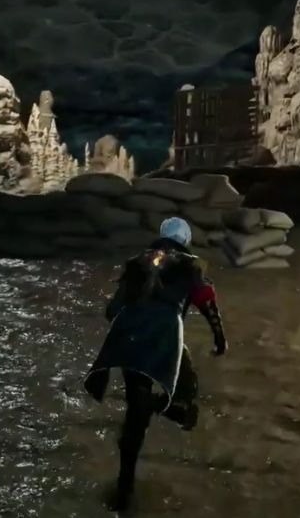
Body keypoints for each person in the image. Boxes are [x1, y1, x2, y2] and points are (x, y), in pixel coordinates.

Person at [82, 216, 228, 511]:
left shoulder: (138, 263)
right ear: (186, 240)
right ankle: (164, 408)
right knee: (185, 398)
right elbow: (206, 302)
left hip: (128, 336)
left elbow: (112, 310)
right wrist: (220, 339)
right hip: (164, 335)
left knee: (134, 414)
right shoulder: (190, 264)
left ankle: (124, 489)